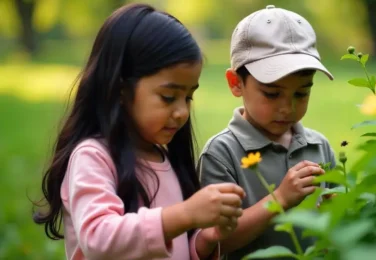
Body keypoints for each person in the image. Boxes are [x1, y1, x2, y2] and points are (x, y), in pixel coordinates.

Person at [32, 3, 245, 260]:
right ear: (121, 89)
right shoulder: (93, 157)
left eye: (188, 97)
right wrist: (185, 214)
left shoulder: (166, 159)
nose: (182, 112)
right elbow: (98, 239)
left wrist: (207, 238)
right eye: (168, 97)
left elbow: (172, 250)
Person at [197, 5, 336, 260]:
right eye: (272, 94)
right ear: (235, 83)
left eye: (302, 93)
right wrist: (279, 198)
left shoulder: (319, 146)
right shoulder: (221, 153)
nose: (288, 108)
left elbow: (339, 221)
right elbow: (214, 243)